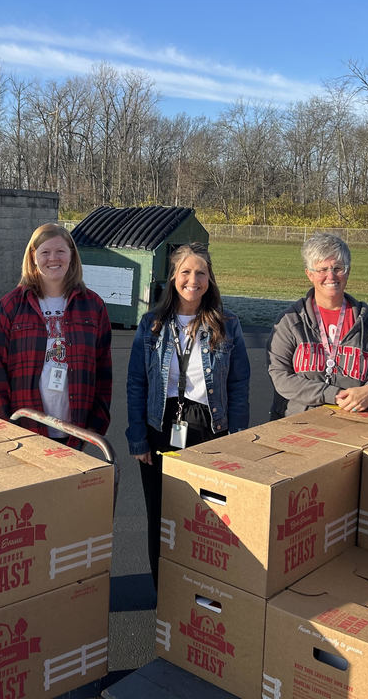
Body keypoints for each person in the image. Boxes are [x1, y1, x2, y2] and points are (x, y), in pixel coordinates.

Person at [126, 242, 250, 587]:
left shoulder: (227, 325)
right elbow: (136, 382)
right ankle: (163, 588)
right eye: (185, 272)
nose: (192, 280)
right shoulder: (151, 325)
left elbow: (239, 385)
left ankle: (200, 587)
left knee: (207, 517)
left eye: (201, 273)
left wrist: (236, 440)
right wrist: (138, 437)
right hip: (159, 426)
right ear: (173, 277)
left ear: (210, 280)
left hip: (209, 430)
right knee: (162, 514)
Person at [0, 223, 112, 447]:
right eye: (45, 252)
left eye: (61, 251)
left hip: (76, 430)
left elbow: (103, 371)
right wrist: (4, 425)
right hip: (25, 431)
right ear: (33, 257)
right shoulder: (11, 306)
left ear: (72, 255)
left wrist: (95, 426)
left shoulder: (93, 305)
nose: (53, 258)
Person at [267, 232, 368, 419]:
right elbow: (280, 376)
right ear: (309, 274)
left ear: (348, 271)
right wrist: (333, 395)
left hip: (355, 422)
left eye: (338, 268)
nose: (331, 276)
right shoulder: (291, 321)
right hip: (296, 423)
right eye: (322, 269)